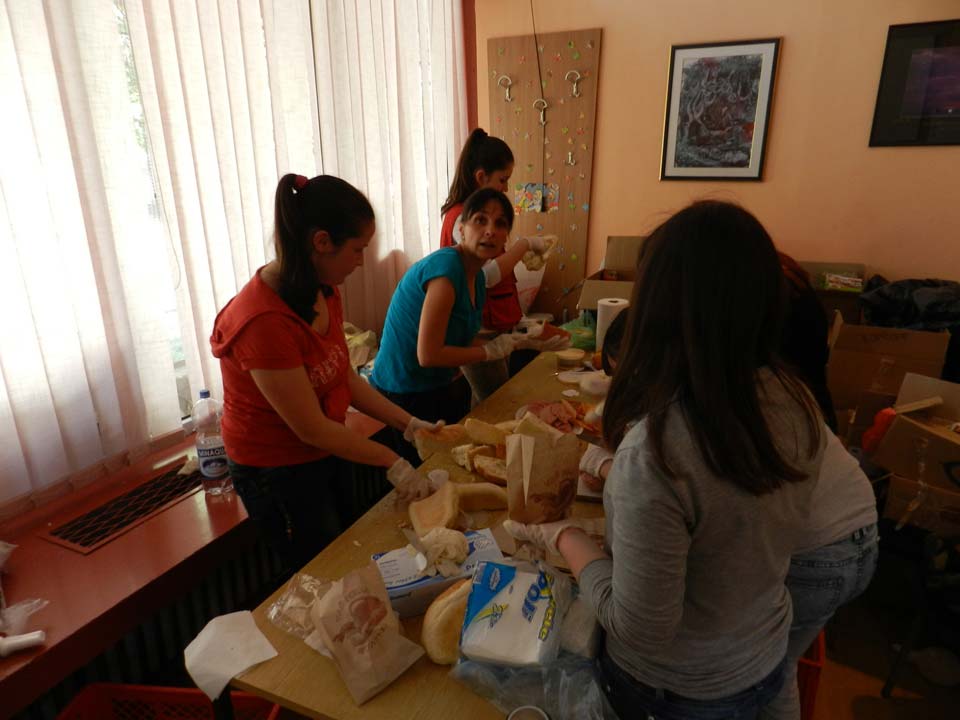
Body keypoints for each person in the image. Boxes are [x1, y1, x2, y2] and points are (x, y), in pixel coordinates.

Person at [505, 200, 826, 719]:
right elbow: (728, 523)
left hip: (676, 690)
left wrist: (563, 536)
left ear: (657, 308)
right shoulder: (796, 401)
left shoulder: (658, 450)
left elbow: (640, 629)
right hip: (760, 659)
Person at [210, 174, 438, 575]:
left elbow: (343, 379)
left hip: (321, 445)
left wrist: (409, 423)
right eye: (357, 249)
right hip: (274, 468)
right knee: (320, 568)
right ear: (321, 242)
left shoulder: (322, 288)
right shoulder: (263, 322)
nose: (361, 261)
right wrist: (392, 462)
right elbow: (311, 428)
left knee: (348, 545)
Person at [372, 188, 560, 444]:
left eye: (500, 224)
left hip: (435, 383)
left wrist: (520, 341)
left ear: (505, 237)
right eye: (480, 220)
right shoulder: (446, 270)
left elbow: (460, 337)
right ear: (461, 229)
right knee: (433, 461)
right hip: (403, 389)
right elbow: (428, 355)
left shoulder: (476, 278)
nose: (490, 230)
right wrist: (489, 351)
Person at [440, 128, 553, 400]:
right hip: (480, 329)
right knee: (497, 401)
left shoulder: (475, 217)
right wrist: (523, 245)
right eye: (503, 180)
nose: (506, 188)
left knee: (485, 404)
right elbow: (486, 277)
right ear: (481, 177)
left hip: (492, 326)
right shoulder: (462, 219)